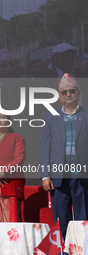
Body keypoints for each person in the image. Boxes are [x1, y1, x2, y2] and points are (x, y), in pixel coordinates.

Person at [40, 73, 88, 239]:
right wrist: (45, 175)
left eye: (72, 91)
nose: (68, 94)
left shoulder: (87, 115)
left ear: (78, 93)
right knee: (61, 219)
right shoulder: (50, 117)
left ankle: (83, 250)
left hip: (82, 175)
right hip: (58, 176)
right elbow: (44, 148)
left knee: (84, 218)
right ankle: (64, 251)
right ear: (59, 95)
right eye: (64, 92)